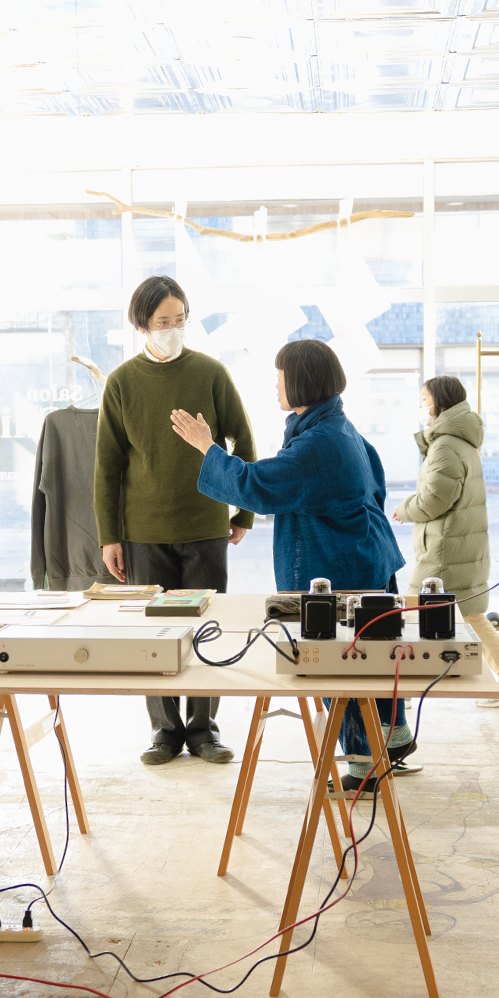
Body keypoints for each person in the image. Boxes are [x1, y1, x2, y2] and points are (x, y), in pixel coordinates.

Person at [175, 339, 411, 792]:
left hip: (343, 569)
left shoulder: (319, 443)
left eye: (280, 377)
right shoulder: (337, 426)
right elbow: (376, 484)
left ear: (301, 381)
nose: (275, 386)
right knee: (375, 663)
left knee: (343, 669)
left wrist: (207, 447)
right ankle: (394, 740)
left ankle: (365, 768)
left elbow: (258, 485)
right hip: (367, 558)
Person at [95, 276, 256, 766]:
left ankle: (204, 729)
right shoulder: (121, 382)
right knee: (155, 635)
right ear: (141, 325)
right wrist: (109, 537)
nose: (173, 329)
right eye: (163, 322)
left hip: (206, 525)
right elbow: (107, 466)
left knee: (207, 628)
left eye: (180, 319)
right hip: (144, 532)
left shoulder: (210, 372)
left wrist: (243, 511)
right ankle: (165, 731)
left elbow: (244, 441)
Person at [391, 376, 499, 707]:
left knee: (409, 612)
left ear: (439, 404)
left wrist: (404, 509)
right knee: (469, 614)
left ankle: (400, 692)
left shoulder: (445, 446)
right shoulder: (461, 441)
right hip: (458, 546)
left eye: (424, 399)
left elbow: (435, 499)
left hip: (444, 551)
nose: (421, 406)